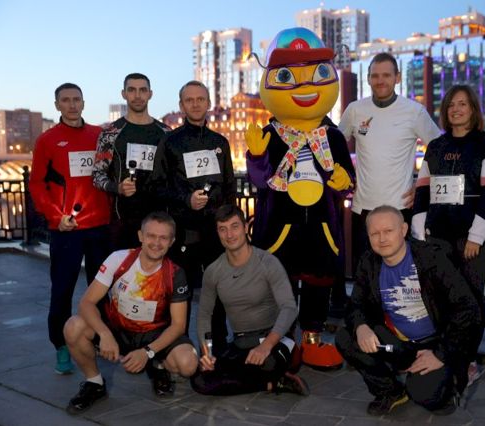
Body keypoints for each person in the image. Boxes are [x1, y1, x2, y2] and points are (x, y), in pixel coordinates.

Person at [245, 28, 355, 369]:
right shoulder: (270, 134)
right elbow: (259, 181)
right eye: (286, 76)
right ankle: (282, 340)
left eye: (318, 73)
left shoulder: (333, 136)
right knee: (280, 286)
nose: (304, 86)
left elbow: (347, 181)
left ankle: (311, 339)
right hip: (280, 227)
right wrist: (256, 157)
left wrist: (343, 181)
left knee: (319, 284)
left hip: (321, 226)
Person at [336, 206, 482, 416]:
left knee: (425, 395)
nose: (382, 239)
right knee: (346, 338)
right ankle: (390, 392)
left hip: (436, 343)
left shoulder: (431, 258)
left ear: (403, 230)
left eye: (388, 231)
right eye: (375, 234)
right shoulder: (369, 262)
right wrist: (361, 327)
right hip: (397, 344)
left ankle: (451, 380)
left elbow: (467, 308)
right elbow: (355, 304)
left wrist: (441, 354)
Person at [63, 211, 198, 414]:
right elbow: (86, 303)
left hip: (154, 334)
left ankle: (158, 366)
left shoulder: (176, 273)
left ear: (172, 242)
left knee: (188, 364)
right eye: (151, 236)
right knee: (73, 327)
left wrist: (148, 352)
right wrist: (104, 334)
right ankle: (94, 382)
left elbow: (178, 325)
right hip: (118, 328)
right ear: (140, 236)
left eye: (163, 238)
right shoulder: (119, 259)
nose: (156, 243)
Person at [412, 85, 485, 385]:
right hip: (437, 234)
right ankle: (445, 353)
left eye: (463, 104)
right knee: (438, 295)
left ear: (473, 109)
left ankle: (468, 359)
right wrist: (419, 232)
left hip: (469, 237)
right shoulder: (436, 146)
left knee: (470, 298)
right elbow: (422, 190)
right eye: (451, 104)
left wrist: (477, 236)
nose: (456, 109)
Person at [29, 83, 111, 375]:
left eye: (77, 99)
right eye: (66, 100)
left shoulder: (99, 135)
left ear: (84, 103)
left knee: (102, 291)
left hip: (101, 227)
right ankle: (61, 346)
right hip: (67, 229)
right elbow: (37, 184)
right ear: (57, 105)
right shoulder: (47, 140)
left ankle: (101, 339)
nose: (72, 105)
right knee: (62, 290)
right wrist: (56, 215)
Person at [150, 80, 235, 350]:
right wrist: (186, 200)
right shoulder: (170, 142)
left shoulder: (220, 142)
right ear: (181, 105)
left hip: (215, 232)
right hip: (183, 233)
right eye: (189, 100)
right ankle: (180, 347)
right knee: (181, 295)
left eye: (200, 99)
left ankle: (219, 346)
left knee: (219, 291)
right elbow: (156, 187)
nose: (195, 104)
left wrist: (232, 226)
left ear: (208, 103)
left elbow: (229, 188)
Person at [191, 204, 308, 396]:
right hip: (241, 343)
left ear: (245, 227)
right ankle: (272, 384)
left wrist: (266, 346)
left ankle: (264, 374)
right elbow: (204, 314)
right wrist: (207, 352)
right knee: (200, 379)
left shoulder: (268, 262)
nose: (229, 235)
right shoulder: (213, 271)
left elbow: (289, 308)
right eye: (223, 229)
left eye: (234, 226)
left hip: (274, 340)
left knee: (268, 363)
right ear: (217, 233)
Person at [338, 52, 440, 267]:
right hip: (362, 209)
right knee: (363, 275)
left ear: (398, 78)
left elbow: (440, 149)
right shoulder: (355, 110)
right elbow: (334, 146)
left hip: (399, 209)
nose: (380, 81)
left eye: (386, 75)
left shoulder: (414, 111)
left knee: (399, 277)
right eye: (375, 76)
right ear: (368, 79)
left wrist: (423, 185)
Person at [93, 73, 170, 249]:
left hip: (160, 221)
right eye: (132, 90)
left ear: (150, 94)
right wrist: (117, 187)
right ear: (124, 94)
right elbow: (97, 175)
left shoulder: (166, 132)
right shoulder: (111, 133)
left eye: (142, 90)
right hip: (123, 222)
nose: (137, 95)